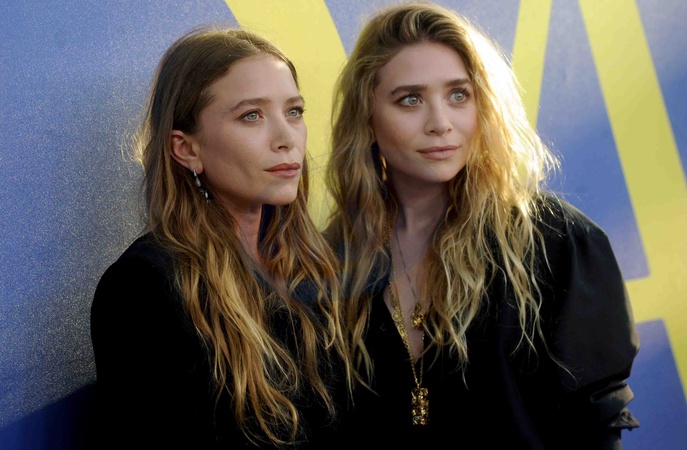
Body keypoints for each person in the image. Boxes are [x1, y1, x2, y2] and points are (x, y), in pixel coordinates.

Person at [324, 2, 640, 449]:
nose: (440, 123)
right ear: (367, 116)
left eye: (459, 95)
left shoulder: (557, 242)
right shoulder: (333, 259)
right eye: (410, 99)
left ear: (484, 105)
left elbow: (596, 428)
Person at [89, 26, 351, 449]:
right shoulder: (145, 287)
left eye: (294, 111)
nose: (287, 139)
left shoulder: (310, 261)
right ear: (186, 149)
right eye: (252, 115)